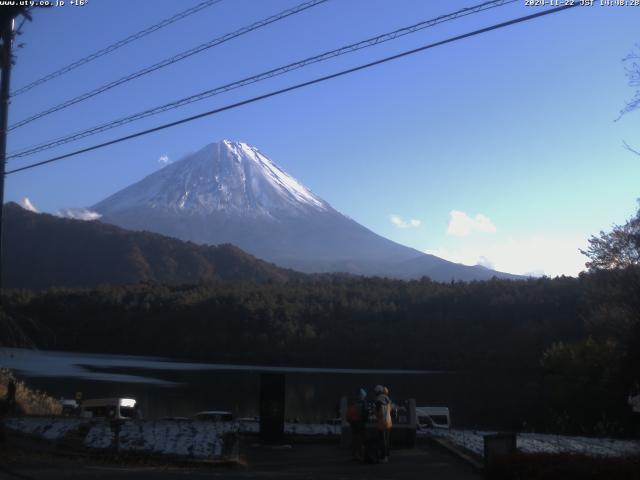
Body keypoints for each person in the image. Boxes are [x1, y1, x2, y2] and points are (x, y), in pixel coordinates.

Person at [347, 388, 368, 461]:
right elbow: (365, 415)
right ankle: (360, 455)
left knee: (354, 439)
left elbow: (348, 415)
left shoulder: (353, 403)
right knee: (361, 440)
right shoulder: (363, 404)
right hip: (360, 423)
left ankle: (354, 455)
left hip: (353, 423)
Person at [374, 384, 392, 463]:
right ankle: (387, 455)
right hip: (389, 422)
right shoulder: (388, 398)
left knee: (382, 441)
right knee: (387, 440)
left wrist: (374, 413)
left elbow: (378, 413)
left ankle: (383, 457)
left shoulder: (378, 400)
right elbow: (390, 410)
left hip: (382, 423)